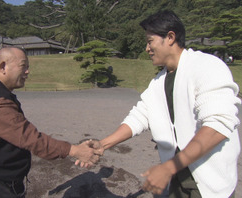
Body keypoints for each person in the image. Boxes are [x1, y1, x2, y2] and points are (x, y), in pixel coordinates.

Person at [78, 10, 241, 198]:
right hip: (174, 182)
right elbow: (140, 116)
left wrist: (169, 167)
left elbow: (217, 126)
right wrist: (103, 144)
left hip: (208, 183)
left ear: (170, 37)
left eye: (150, 41)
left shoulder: (207, 66)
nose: (147, 49)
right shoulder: (158, 82)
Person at [0, 47, 101, 198]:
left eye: (28, 67)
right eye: (23, 66)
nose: (27, 71)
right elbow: (30, 138)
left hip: (0, 177)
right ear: (3, 66)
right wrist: (74, 150)